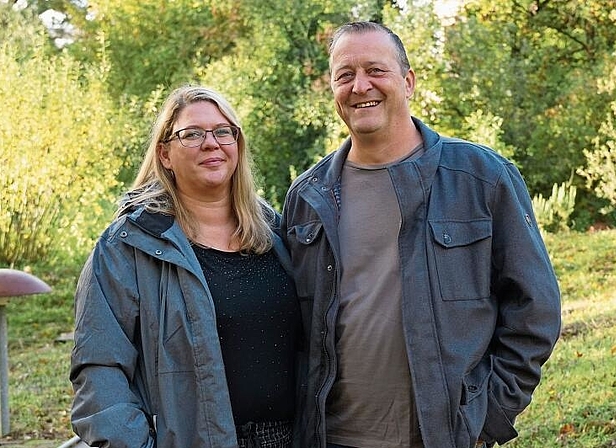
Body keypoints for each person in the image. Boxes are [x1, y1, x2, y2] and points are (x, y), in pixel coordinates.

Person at [281, 21, 562, 448]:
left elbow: (535, 308)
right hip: (332, 437)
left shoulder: (481, 178)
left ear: (408, 82)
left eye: (376, 70)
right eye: (345, 75)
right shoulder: (307, 198)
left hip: (442, 436)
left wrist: (488, 417)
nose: (360, 86)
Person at [70, 85, 304, 448]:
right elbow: (100, 368)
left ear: (237, 145)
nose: (211, 143)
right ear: (164, 154)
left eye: (223, 131)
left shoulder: (275, 232)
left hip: (288, 438)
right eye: (191, 134)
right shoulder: (128, 245)